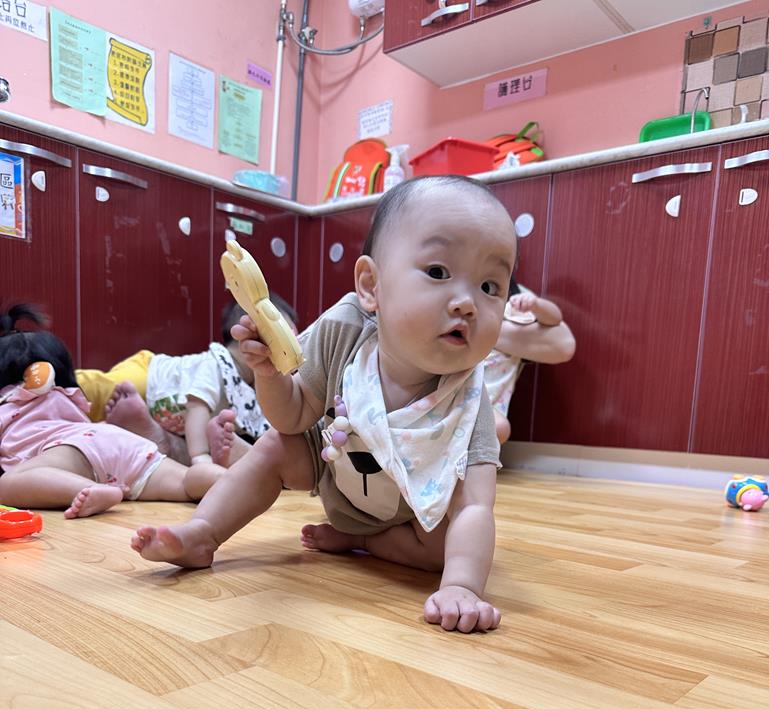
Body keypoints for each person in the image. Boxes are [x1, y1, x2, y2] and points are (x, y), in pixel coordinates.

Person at [131, 175, 517, 634]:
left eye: (490, 286)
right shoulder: (344, 331)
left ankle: (366, 541)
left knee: (448, 549)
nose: (468, 303)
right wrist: (270, 376)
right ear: (371, 285)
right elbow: (293, 415)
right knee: (275, 447)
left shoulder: (469, 401)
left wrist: (462, 587)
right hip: (332, 469)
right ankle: (204, 532)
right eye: (438, 272)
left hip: (408, 516)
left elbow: (475, 507)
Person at [0, 305, 228, 517]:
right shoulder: (68, 396)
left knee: (7, 483)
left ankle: (88, 488)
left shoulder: (7, 404)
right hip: (113, 439)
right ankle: (226, 480)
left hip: (69, 450)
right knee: (185, 483)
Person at [76, 294, 299, 466]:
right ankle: (60, 384)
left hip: (162, 417)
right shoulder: (216, 364)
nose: (296, 345)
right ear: (249, 334)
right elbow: (197, 405)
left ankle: (137, 429)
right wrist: (200, 458)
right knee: (92, 391)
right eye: (286, 335)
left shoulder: (252, 389)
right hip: (151, 376)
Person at [485, 279, 575, 445]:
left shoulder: (514, 305)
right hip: (457, 395)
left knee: (499, 428)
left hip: (488, 404)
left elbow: (555, 319)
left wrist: (535, 305)